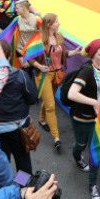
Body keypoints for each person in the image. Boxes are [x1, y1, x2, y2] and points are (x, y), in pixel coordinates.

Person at [67, 39, 100, 199]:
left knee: (95, 150)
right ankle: (77, 157)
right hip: (82, 116)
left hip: (99, 117)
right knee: (81, 144)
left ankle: (92, 184)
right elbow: (72, 94)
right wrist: (94, 102)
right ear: (92, 55)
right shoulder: (86, 70)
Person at [0, 41, 38, 174]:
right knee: (22, 161)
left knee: (2, 162)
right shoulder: (20, 75)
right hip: (18, 127)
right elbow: (33, 98)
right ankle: (23, 189)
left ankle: (6, 187)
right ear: (10, 55)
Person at [36, 13, 81, 151]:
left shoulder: (59, 36)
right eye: (56, 22)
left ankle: (42, 118)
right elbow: (29, 58)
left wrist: (74, 52)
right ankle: (56, 138)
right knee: (50, 105)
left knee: (48, 100)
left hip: (57, 74)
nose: (59, 23)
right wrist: (38, 66)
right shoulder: (39, 39)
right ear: (49, 25)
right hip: (43, 76)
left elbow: (63, 53)